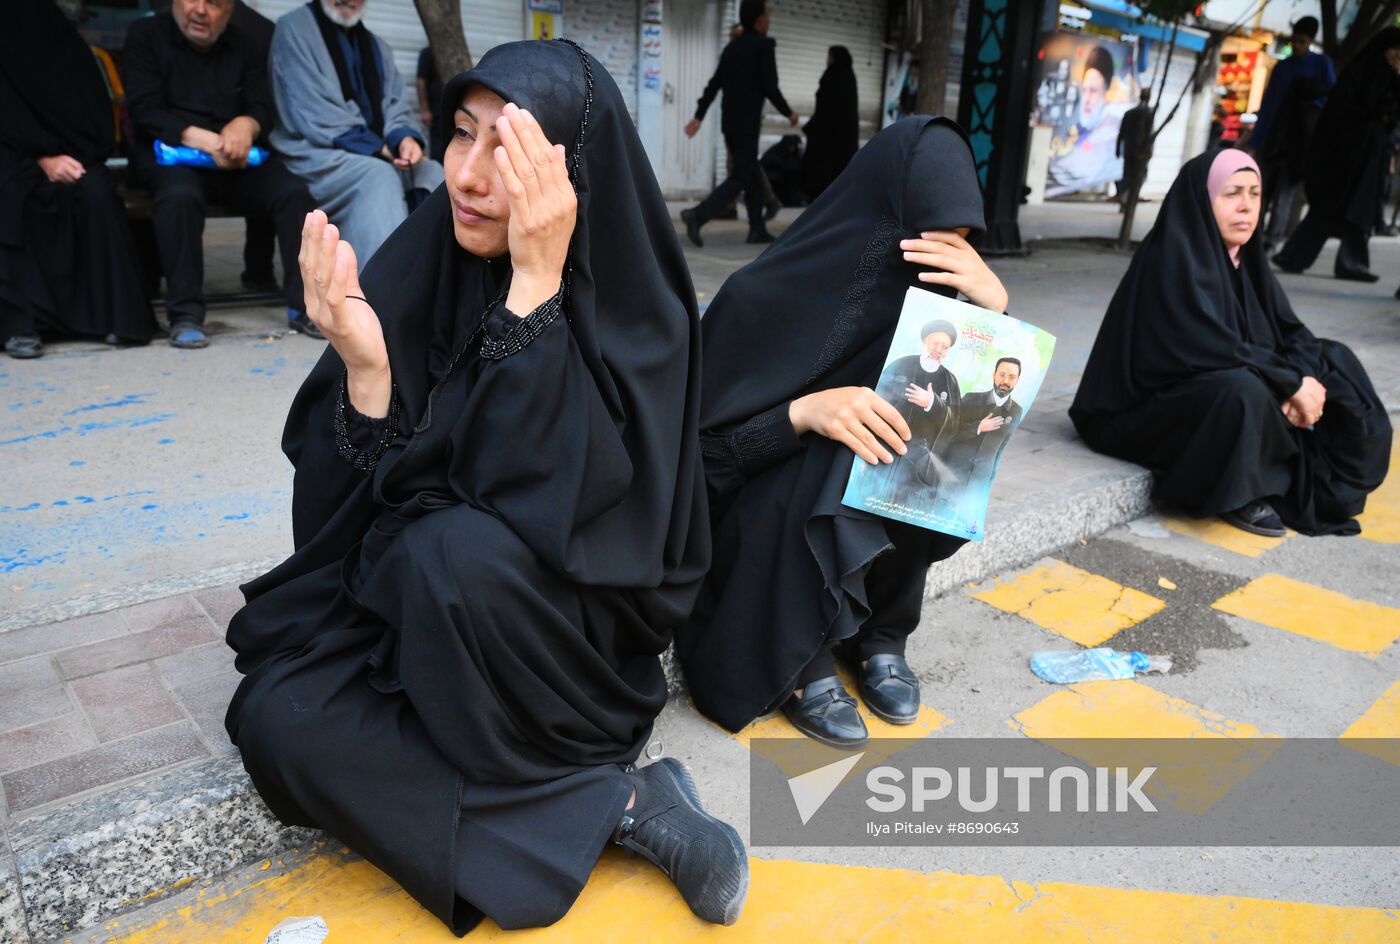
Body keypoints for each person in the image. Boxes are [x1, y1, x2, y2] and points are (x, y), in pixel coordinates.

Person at [224, 39, 747, 933]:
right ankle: (623, 808)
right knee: (272, 717)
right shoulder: (427, 262)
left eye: (508, 152)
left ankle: (564, 773)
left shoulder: (642, 312)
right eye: (460, 136)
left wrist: (534, 293)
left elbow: (559, 515)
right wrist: (365, 373)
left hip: (557, 645)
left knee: (449, 552)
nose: (466, 175)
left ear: (571, 174)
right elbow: (331, 530)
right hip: (409, 612)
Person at [677, 117, 1007, 749]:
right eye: (926, 240)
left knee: (921, 438)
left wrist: (994, 313)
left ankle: (883, 634)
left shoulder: (941, 315)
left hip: (856, 511)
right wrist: (803, 414)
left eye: (961, 244)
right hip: (761, 509)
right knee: (840, 448)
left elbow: (976, 433)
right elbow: (694, 460)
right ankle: (805, 657)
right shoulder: (760, 296)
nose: (943, 262)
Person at [1071, 150, 1391, 538]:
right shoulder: (1169, 258)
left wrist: (1304, 379)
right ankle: (1244, 491)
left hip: (1212, 389)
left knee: (1333, 357)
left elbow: (1289, 330)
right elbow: (1203, 347)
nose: (1246, 207)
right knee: (1242, 390)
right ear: (1203, 200)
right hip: (1137, 414)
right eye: (1232, 193)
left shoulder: (1244, 259)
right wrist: (1287, 383)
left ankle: (1298, 471)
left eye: (1255, 194)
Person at [123, 0, 319, 349]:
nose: (200, 10)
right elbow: (144, 109)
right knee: (179, 198)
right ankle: (185, 313)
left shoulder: (247, 42)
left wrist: (246, 125)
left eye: (214, 3)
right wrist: (210, 142)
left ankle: (304, 305)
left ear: (229, 13)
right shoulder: (145, 35)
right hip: (173, 156)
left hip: (235, 162)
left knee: (293, 193)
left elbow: (262, 107)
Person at [0, 0, 154, 359]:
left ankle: (114, 318)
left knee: (97, 191)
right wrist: (41, 157)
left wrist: (67, 157)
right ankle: (20, 326)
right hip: (11, 162)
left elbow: (95, 126)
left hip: (73, 155)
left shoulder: (66, 52)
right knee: (12, 197)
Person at [269, 0, 444, 260]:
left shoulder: (377, 47)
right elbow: (312, 112)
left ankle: (431, 279)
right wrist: (380, 149)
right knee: (377, 176)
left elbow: (396, 106)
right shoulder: (293, 30)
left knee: (433, 173)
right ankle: (379, 291)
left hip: (377, 153)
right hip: (315, 152)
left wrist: (404, 139)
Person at [1272, 27, 1400, 282]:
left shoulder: (1389, 78)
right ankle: (1296, 257)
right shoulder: (1356, 76)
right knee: (1328, 209)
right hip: (1344, 156)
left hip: (1369, 157)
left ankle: (1350, 264)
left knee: (1357, 211)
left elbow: (1391, 115)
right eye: (1396, 52)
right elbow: (1344, 114)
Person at [680, 0, 798, 246]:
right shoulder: (764, 46)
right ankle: (697, 215)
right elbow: (770, 86)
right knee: (743, 175)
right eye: (767, 15)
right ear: (759, 20)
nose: (769, 19)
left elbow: (714, 84)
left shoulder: (732, 48)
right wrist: (789, 113)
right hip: (747, 124)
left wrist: (698, 117)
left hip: (730, 124)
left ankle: (757, 228)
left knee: (750, 171)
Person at [1247, 17, 1334, 249]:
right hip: (1273, 139)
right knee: (1260, 190)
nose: (1296, 45)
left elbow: (1330, 101)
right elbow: (1269, 106)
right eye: (1293, 40)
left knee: (1285, 194)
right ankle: (1253, 237)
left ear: (1310, 40)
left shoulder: (1321, 65)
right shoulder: (1282, 67)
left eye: (1301, 41)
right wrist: (1256, 140)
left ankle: (1272, 240)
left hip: (1299, 142)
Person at [861, 319, 963, 505]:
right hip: (885, 451)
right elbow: (873, 404)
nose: (938, 349)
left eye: (945, 346)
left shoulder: (951, 381)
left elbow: (955, 424)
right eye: (934, 343)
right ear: (924, 342)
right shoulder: (900, 366)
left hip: (922, 464)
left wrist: (932, 403)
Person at [231, 0, 280, 293]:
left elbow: (265, 98)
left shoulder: (260, 30)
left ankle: (260, 272)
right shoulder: (263, 28)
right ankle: (259, 272)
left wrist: (249, 124)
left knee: (285, 188)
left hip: (249, 139)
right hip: (190, 146)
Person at [1045, 45, 1128, 198]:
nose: (1087, 99)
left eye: (1094, 91)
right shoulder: (1080, 129)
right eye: (1085, 90)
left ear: (1106, 91)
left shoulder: (1109, 131)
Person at [944, 356, 1024, 494]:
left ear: (1017, 381)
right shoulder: (971, 399)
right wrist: (978, 427)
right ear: (994, 375)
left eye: (1012, 377)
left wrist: (991, 476)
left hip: (980, 478)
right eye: (1002, 375)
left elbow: (1002, 447)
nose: (1006, 381)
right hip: (953, 471)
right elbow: (949, 431)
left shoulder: (1017, 411)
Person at [800, 45, 859, 200]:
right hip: (841, 138)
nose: (827, 60)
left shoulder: (832, 78)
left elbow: (826, 109)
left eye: (829, 57)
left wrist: (813, 127)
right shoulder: (848, 77)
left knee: (823, 175)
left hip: (826, 137)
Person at [1116, 89, 1153, 210]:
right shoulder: (1148, 113)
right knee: (1138, 178)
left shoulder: (1129, 113)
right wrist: (1148, 152)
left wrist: (1117, 149)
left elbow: (1121, 134)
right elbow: (1150, 135)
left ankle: (1125, 201)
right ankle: (1129, 202)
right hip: (1141, 153)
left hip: (1129, 151)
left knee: (1127, 177)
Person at [415, 44, 446, 162]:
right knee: (438, 152)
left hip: (452, 110)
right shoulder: (428, 53)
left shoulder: (453, 53)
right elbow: (421, 81)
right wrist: (425, 109)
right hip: (436, 112)